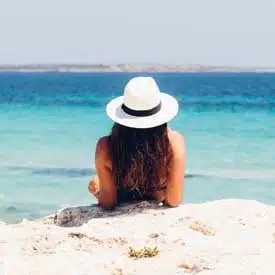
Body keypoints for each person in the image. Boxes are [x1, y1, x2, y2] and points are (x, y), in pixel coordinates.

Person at [88, 76, 185, 209]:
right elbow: (174, 200)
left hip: (121, 195)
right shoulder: (174, 142)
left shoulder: (106, 146)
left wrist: (98, 191)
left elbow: (108, 203)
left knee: (94, 183)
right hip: (156, 195)